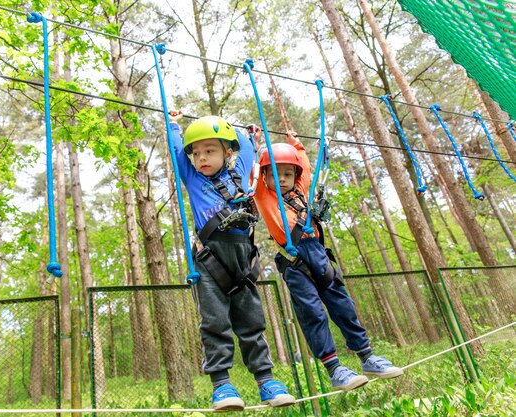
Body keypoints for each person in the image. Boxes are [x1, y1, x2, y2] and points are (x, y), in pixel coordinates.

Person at [254, 131, 404, 392]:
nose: (282, 180)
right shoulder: (265, 196)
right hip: (295, 260)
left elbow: (305, 167)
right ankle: (334, 369)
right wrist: (254, 145)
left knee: (344, 305)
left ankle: (367, 356)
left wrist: (296, 144)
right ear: (266, 177)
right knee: (312, 312)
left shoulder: (300, 191)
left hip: (319, 255)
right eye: (275, 175)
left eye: (288, 175)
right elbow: (254, 173)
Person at [169, 110, 295, 411]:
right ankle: (222, 384)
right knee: (214, 321)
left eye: (210, 151)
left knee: (251, 319)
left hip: (242, 257)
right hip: (210, 257)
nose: (201, 158)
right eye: (196, 153)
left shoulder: (238, 171)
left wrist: (237, 129)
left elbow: (246, 145)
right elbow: (177, 151)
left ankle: (266, 380)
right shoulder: (192, 178)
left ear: (227, 153)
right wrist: (174, 124)